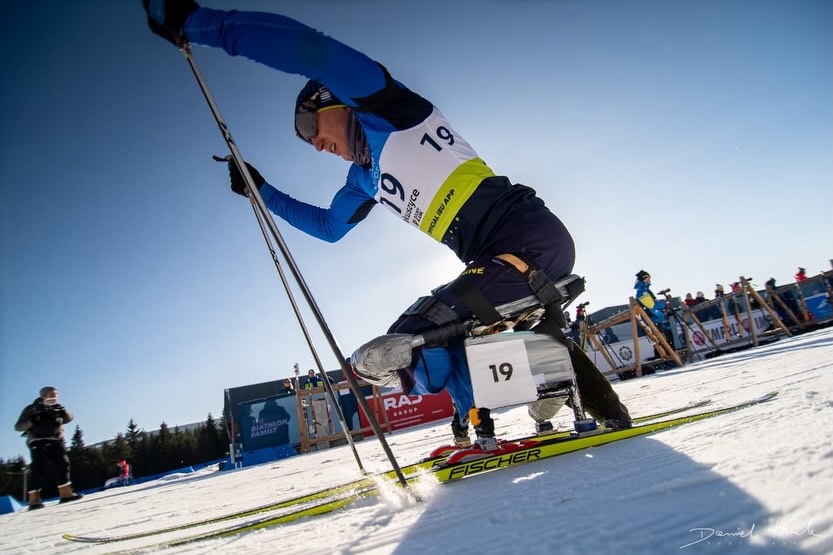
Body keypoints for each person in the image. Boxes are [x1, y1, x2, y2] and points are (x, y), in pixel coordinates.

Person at [143, 1, 631, 450]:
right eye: (306, 141)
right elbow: (330, 227)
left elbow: (309, 50)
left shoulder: (388, 107)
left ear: (334, 99)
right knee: (412, 339)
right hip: (494, 259)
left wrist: (198, 24)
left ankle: (511, 408)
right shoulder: (362, 181)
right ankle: (556, 392)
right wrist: (261, 190)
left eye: (310, 127)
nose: (315, 145)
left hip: (527, 235)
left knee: (418, 335)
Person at [14, 387, 82, 509]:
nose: (55, 397)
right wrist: (32, 421)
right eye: (52, 394)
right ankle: (34, 500)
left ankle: (66, 494)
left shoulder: (58, 407)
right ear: (44, 395)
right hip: (37, 440)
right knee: (39, 466)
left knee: (63, 463)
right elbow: (18, 427)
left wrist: (64, 412)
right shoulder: (32, 409)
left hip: (56, 439)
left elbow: (69, 418)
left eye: (56, 394)